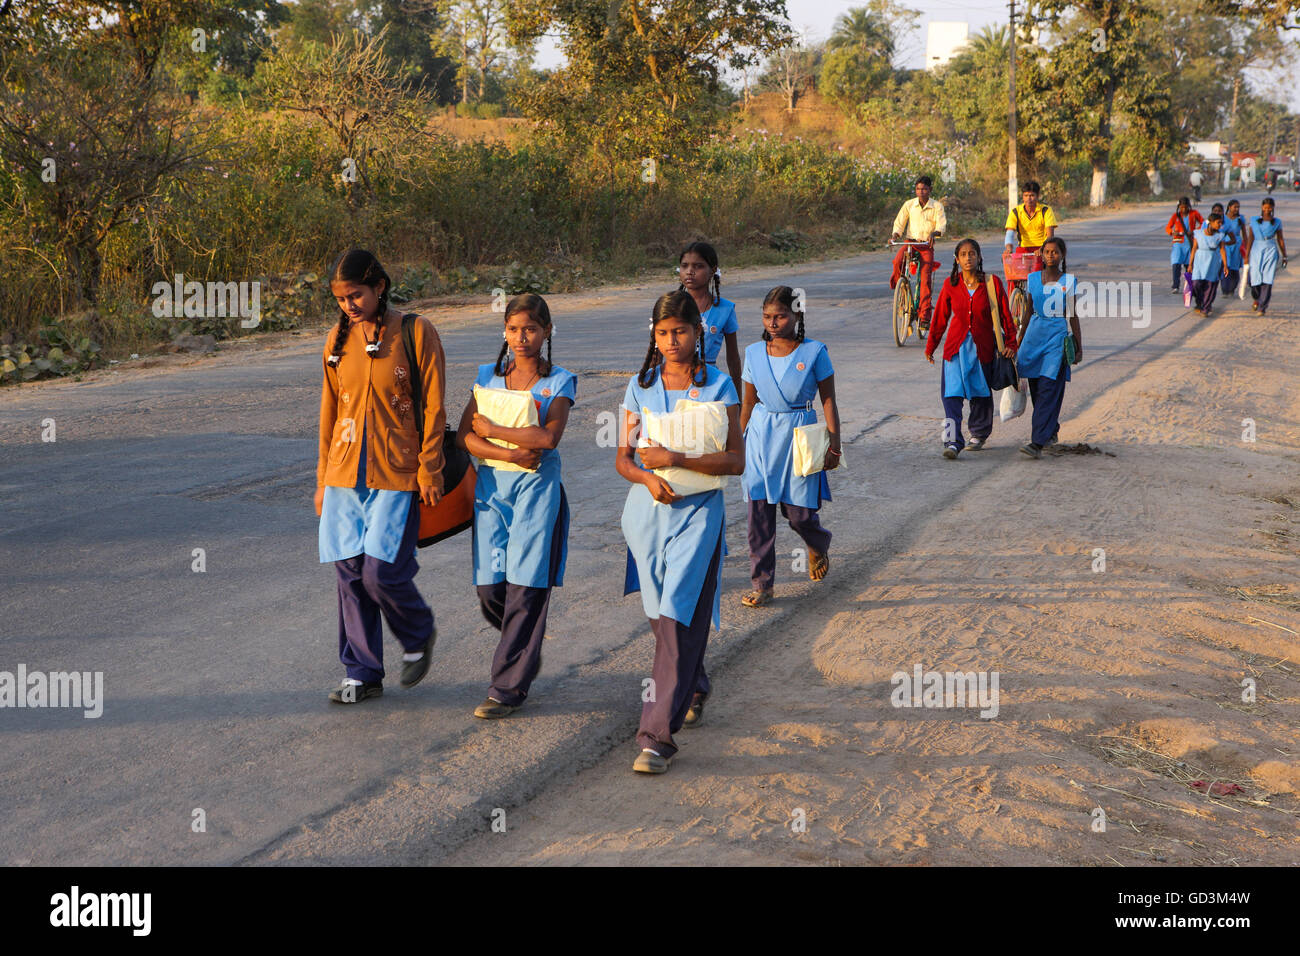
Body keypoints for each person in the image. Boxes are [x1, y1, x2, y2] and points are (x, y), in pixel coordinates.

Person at [616, 291, 744, 774]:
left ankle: (656, 737)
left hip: (699, 515)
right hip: (646, 515)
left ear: (699, 332)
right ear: (654, 334)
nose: (673, 341)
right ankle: (693, 683)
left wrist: (677, 460)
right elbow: (623, 459)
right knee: (661, 619)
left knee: (677, 617)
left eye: (682, 331)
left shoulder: (720, 386)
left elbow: (736, 461)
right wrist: (648, 477)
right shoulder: (639, 386)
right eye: (664, 332)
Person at [316, 249, 445, 704]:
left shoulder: (415, 331)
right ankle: (361, 671)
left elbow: (433, 405)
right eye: (341, 298)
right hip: (344, 473)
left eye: (357, 295)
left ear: (379, 288)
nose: (349, 304)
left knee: (380, 572)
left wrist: (430, 467)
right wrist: (322, 480)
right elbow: (330, 414)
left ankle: (418, 632)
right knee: (348, 573)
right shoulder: (336, 340)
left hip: (397, 472)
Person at [455, 294, 575, 719]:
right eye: (513, 329)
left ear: (546, 332)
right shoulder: (487, 377)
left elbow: (547, 439)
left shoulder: (559, 381)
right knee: (491, 588)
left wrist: (495, 430)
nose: (521, 338)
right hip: (492, 488)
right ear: (504, 332)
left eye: (530, 329)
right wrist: (506, 453)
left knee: (525, 584)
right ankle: (523, 646)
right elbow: (464, 438)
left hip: (536, 493)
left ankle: (506, 689)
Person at [739, 286, 840, 609]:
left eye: (780, 316)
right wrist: (735, 444)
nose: (773, 322)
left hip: (799, 436)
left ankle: (817, 541)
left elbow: (828, 400)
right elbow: (748, 403)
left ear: (797, 315)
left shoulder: (814, 353)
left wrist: (834, 444)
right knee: (759, 517)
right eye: (767, 316)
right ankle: (763, 584)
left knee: (799, 515)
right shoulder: (754, 353)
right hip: (760, 437)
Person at [925, 238, 1018, 458]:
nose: (968, 258)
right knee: (950, 396)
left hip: (982, 349)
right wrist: (931, 346)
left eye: (972, 253)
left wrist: (1011, 343)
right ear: (957, 259)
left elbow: (1006, 316)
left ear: (979, 257)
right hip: (955, 350)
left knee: (981, 394)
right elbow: (939, 319)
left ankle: (978, 433)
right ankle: (952, 441)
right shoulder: (950, 285)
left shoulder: (992, 283)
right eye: (964, 254)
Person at [1016, 237, 1082, 459]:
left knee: (1049, 387)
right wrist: (1019, 339)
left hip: (1056, 338)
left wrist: (1078, 346)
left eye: (1055, 252)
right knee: (1037, 389)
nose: (1051, 255)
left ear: (1062, 255)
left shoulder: (1069, 281)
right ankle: (1050, 429)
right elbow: (1027, 312)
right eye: (1047, 252)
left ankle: (1037, 442)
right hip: (1034, 337)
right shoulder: (1033, 279)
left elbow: (1073, 315)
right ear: (1042, 255)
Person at [678, 241, 742, 399]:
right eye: (684, 266)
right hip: (675, 381)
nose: (690, 272)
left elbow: (733, 358)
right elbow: (657, 353)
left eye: (698, 266)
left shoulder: (725, 309)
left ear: (713, 270)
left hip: (709, 383)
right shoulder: (671, 306)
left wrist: (737, 398)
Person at [890, 174, 947, 333]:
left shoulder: (936, 206)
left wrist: (934, 234)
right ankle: (900, 292)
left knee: (925, 279)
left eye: (924, 189)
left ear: (930, 190)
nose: (920, 192)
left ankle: (924, 316)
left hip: (925, 245)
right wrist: (895, 235)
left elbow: (942, 226)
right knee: (897, 261)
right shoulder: (909, 204)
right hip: (910, 242)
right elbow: (899, 222)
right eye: (918, 189)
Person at [1243, 197, 1289, 316]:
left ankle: (1262, 306)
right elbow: (1250, 238)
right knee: (1254, 277)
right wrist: (1246, 256)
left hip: (1270, 249)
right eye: (1265, 207)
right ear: (1262, 207)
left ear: (1273, 208)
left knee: (1267, 278)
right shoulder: (1254, 220)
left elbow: (1280, 239)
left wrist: (1284, 255)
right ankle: (1257, 299)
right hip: (1256, 249)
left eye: (1270, 207)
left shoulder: (1277, 222)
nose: (1267, 209)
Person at [1188, 212, 1233, 317]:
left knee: (1210, 285)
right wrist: (1190, 264)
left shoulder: (1220, 236)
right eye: (1218, 222)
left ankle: (1206, 308)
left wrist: (1225, 265)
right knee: (1196, 284)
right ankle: (1199, 302)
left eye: (1221, 223)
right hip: (1199, 260)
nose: (1220, 225)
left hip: (1213, 261)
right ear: (1210, 223)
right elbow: (1194, 248)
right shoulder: (1198, 233)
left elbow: (1222, 250)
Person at [1003, 181, 1058, 258]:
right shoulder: (1016, 212)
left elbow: (1050, 236)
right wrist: (1008, 249)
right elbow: (1010, 233)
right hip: (1023, 249)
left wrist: (1042, 249)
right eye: (1026, 195)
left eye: (1032, 195)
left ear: (1038, 195)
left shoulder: (1045, 210)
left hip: (1043, 248)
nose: (1029, 199)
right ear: (1022, 196)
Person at [1165, 197, 1204, 294]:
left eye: (1185, 207)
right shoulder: (1176, 216)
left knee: (1189, 265)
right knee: (1176, 264)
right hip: (1178, 243)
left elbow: (1203, 223)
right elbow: (1168, 227)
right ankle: (1175, 285)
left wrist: (1195, 230)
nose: (1184, 210)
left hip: (1190, 243)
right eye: (1181, 207)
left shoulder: (1194, 214)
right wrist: (1172, 232)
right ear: (1179, 207)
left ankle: (1189, 285)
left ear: (1189, 206)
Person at [1221, 199, 1247, 297]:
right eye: (1235, 207)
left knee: (1234, 267)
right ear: (1229, 207)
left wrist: (1247, 246)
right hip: (1225, 243)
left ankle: (1232, 287)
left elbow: (1244, 233)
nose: (1236, 209)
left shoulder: (1240, 219)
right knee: (1226, 265)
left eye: (1238, 207)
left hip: (1236, 244)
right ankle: (1224, 289)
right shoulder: (1223, 218)